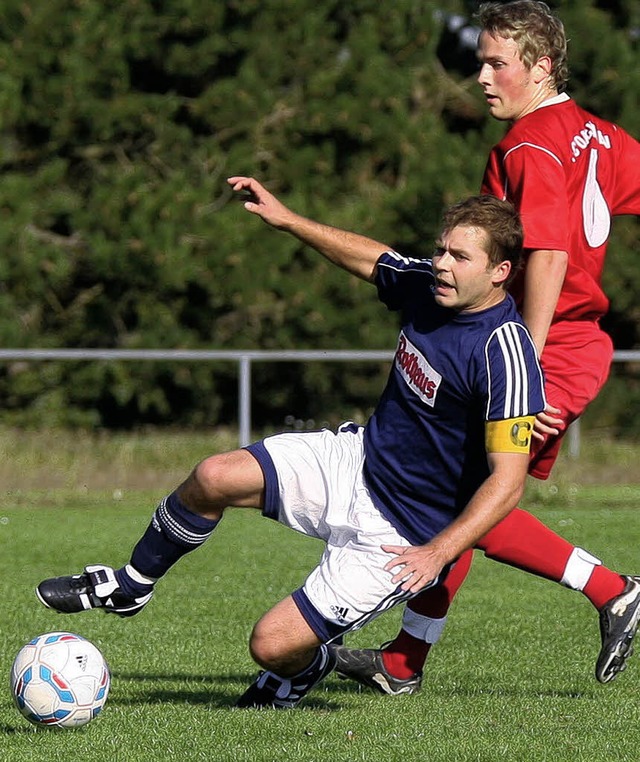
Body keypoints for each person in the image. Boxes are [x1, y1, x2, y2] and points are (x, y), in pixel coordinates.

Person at [36, 182, 547, 709]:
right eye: (441, 248)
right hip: (357, 463)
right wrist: (290, 220)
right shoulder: (430, 286)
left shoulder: (505, 354)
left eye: (459, 256)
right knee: (214, 476)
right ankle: (131, 584)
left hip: (404, 533)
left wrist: (437, 553)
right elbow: (377, 259)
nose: (441, 263)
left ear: (499, 272)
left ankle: (309, 667)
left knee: (271, 645)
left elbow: (507, 483)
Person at [330, 0, 640, 696]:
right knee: (464, 491)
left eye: (497, 62)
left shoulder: (529, 144)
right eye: (481, 60)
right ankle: (404, 663)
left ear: (542, 66)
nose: (481, 76)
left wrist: (521, 366)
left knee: (474, 500)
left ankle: (613, 590)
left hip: (547, 345)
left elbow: (552, 255)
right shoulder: (591, 131)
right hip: (572, 342)